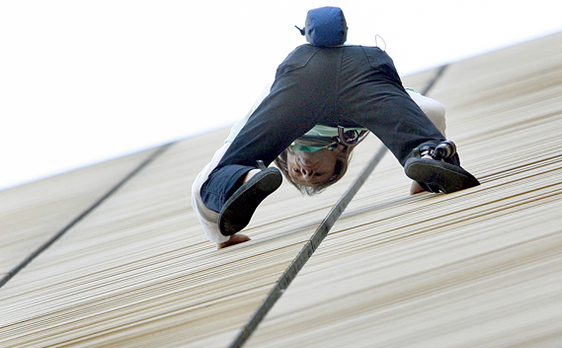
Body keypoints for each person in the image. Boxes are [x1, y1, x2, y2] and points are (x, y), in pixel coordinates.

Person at [191, 6, 479, 249]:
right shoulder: (347, 135)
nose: (305, 169)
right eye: (316, 174)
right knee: (419, 124)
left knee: (226, 169)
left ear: (285, 160)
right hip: (361, 70)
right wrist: (424, 178)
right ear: (339, 158)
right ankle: (428, 154)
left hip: (302, 79)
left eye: (299, 173)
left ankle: (244, 177)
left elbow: (202, 183)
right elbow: (427, 110)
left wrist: (220, 236)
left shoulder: (273, 113)